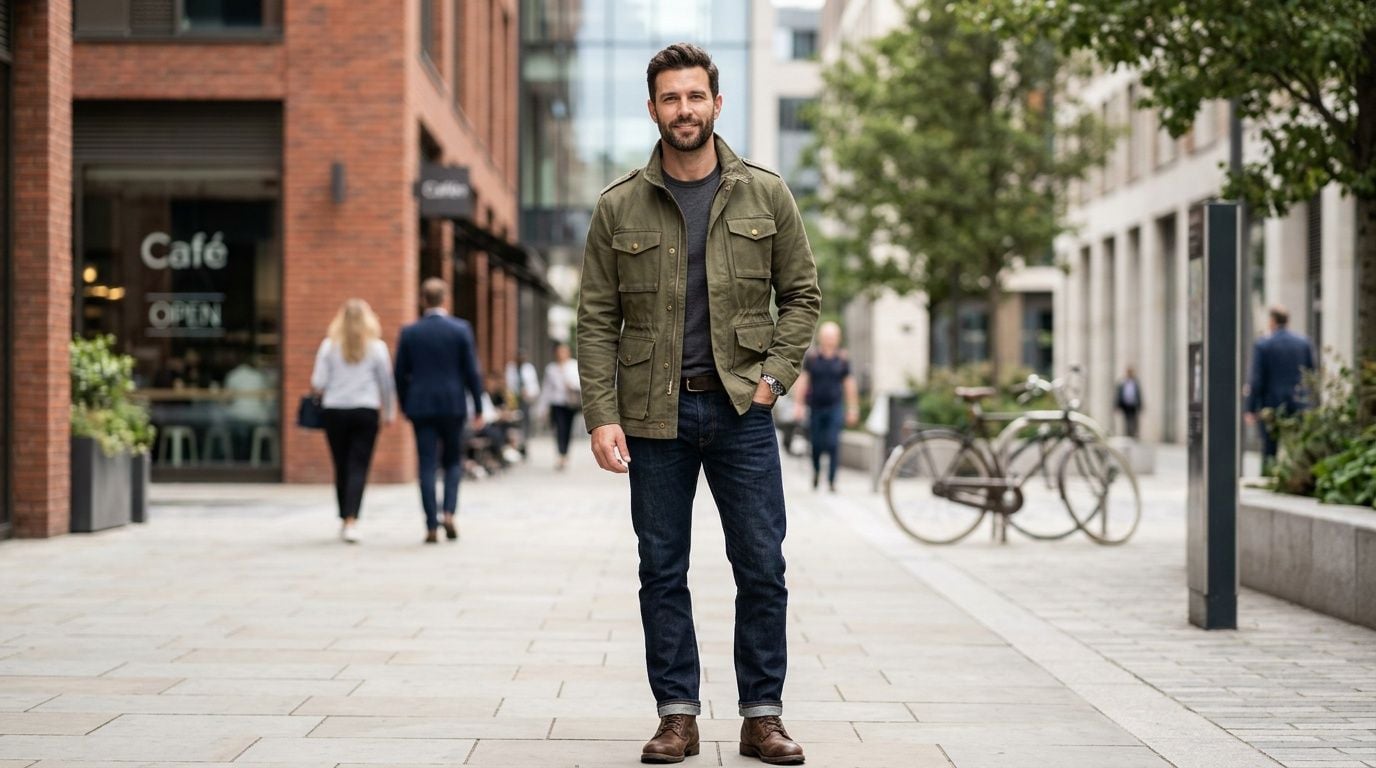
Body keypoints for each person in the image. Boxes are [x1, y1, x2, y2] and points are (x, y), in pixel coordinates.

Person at [576, 43, 820, 766]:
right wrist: (601, 413)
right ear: (653, 109)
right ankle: (676, 715)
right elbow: (594, 319)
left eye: (695, 96)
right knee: (662, 569)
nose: (684, 109)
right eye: (670, 98)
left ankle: (762, 716)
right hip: (655, 416)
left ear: (717, 103)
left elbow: (802, 296)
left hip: (742, 410)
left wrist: (774, 378)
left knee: (762, 566)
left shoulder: (766, 194)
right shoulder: (618, 205)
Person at [394, 278, 485, 544]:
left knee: (426, 464)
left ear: (423, 300)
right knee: (453, 461)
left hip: (420, 406)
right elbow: (472, 372)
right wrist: (478, 407)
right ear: (445, 299)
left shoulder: (410, 332)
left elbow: (399, 374)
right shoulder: (461, 330)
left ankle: (431, 525)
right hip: (452, 404)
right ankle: (449, 513)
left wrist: (404, 404)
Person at [310, 299, 395, 543]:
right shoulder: (376, 348)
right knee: (359, 465)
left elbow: (318, 382)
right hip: (365, 411)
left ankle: (344, 516)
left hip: (335, 410)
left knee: (341, 464)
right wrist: (388, 413)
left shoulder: (329, 347)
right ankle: (352, 520)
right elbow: (386, 385)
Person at [1245, 305, 1316, 473]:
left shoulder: (1263, 345)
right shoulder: (1303, 343)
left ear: (1272, 321)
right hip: (1298, 402)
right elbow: (1312, 374)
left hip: (1271, 403)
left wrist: (1250, 408)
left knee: (1269, 448)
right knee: (1298, 444)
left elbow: (1257, 379)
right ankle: (1296, 476)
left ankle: (1269, 475)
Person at [791, 322, 859, 492]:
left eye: (833, 336)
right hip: (816, 407)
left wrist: (853, 408)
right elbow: (804, 381)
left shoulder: (842, 360)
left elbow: (849, 384)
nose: (830, 340)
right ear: (821, 338)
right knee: (816, 444)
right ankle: (816, 471)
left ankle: (831, 481)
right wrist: (798, 405)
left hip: (835, 406)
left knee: (833, 443)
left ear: (838, 338)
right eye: (827, 336)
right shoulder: (813, 357)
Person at [541, 342, 581, 470]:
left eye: (564, 351)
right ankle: (561, 454)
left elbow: (580, 383)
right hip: (556, 403)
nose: (561, 354)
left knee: (568, 429)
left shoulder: (573, 365)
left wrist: (571, 383)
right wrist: (543, 408)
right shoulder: (551, 368)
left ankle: (565, 453)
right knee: (559, 428)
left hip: (570, 403)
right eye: (559, 351)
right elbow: (546, 389)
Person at [505, 350, 541, 458]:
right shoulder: (510, 368)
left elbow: (534, 386)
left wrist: (528, 393)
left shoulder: (529, 369)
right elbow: (508, 384)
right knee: (515, 424)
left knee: (525, 423)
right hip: (513, 400)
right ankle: (515, 446)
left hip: (525, 400)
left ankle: (524, 445)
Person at [1115, 366, 1143, 439]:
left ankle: (1133, 434)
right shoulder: (1123, 382)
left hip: (1133, 404)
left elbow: (1139, 394)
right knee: (1127, 419)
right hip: (1125, 404)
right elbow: (1119, 394)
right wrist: (1117, 405)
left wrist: (1140, 404)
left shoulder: (1135, 382)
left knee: (1133, 419)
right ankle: (1128, 434)